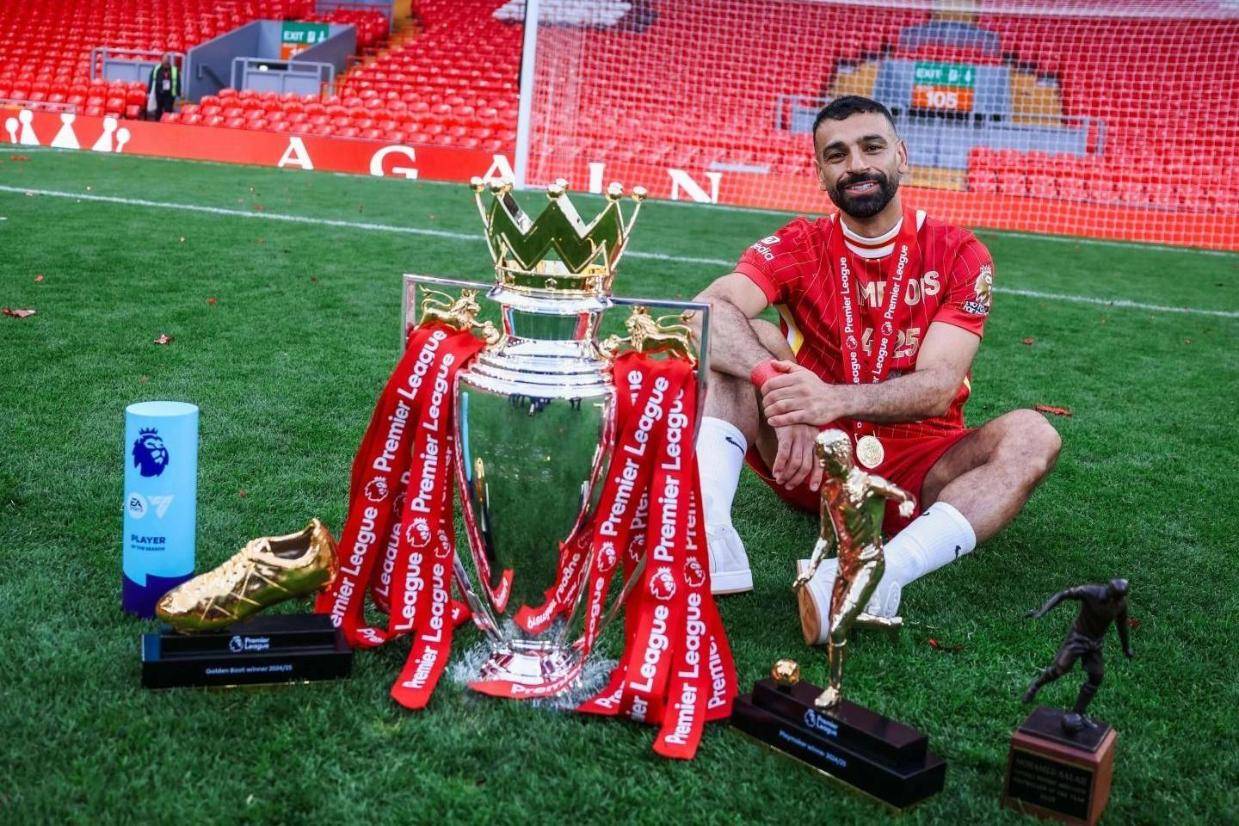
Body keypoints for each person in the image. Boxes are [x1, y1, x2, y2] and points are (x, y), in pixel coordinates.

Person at [693, 95, 1061, 643]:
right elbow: (704, 312)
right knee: (748, 340)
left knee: (1034, 434)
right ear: (820, 173)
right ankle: (711, 535)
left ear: (901, 156)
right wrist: (781, 390)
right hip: (812, 459)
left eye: (871, 147)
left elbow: (939, 387)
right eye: (836, 155)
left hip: (921, 470)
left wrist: (831, 398)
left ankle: (882, 572)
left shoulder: (959, 253)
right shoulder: (798, 244)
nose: (856, 165)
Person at [1022, 579, 1134, 732]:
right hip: (1078, 637)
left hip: (1094, 644)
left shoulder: (1120, 605)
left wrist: (1126, 648)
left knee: (1096, 677)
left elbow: (1122, 626)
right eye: (1114, 598)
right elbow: (1063, 594)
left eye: (1119, 599)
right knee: (1059, 669)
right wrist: (1041, 612)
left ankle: (1078, 712)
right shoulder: (1090, 592)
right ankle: (1035, 686)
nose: (1116, 602)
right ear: (1108, 591)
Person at [147, 53, 179, 121]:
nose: (166, 60)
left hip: (170, 94)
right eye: (164, 58)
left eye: (167, 59)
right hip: (159, 92)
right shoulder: (156, 68)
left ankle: (168, 123)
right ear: (161, 60)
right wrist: (149, 91)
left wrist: (178, 93)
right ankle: (157, 123)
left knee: (168, 110)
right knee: (158, 110)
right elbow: (151, 79)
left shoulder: (174, 70)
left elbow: (178, 82)